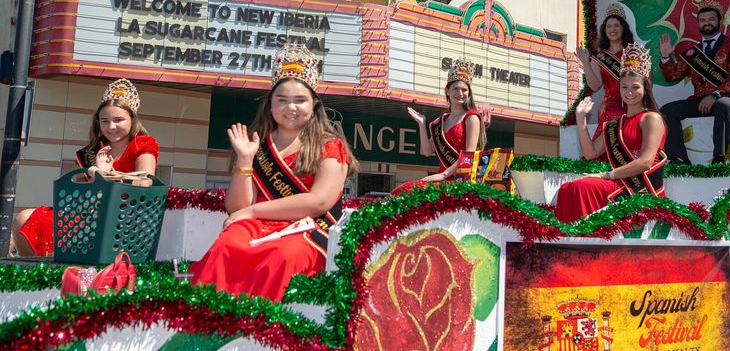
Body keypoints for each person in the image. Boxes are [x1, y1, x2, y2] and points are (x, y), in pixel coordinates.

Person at [189, 44, 358, 301]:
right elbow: (237, 208)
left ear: (314, 105)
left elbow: (319, 201)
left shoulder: (330, 145)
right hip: (258, 226)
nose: (291, 107)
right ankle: (208, 320)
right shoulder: (258, 144)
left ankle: (264, 331)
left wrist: (253, 211)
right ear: (270, 105)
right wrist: (245, 160)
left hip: (308, 230)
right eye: (282, 100)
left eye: (300, 100)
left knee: (284, 255)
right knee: (228, 244)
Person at [11, 79, 158, 257]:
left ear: (132, 119)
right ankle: (40, 275)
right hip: (88, 214)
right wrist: (89, 177)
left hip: (120, 220)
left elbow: (144, 184)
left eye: (118, 120)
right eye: (105, 121)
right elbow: (80, 192)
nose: (111, 127)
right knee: (24, 218)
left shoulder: (142, 145)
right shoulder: (94, 151)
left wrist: (108, 174)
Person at [555, 43, 667, 223]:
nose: (629, 92)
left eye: (635, 87)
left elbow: (645, 162)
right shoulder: (614, 124)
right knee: (568, 188)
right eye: (624, 87)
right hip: (620, 182)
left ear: (645, 89)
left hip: (640, 188)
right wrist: (581, 119)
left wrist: (606, 175)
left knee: (579, 188)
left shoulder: (651, 118)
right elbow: (590, 153)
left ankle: (586, 239)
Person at [659, 1, 730, 164]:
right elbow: (672, 75)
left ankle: (719, 157)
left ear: (719, 22)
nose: (707, 22)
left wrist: (715, 95)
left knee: (723, 105)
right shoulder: (693, 52)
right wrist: (666, 57)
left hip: (728, 98)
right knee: (666, 111)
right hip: (701, 101)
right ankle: (679, 158)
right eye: (703, 20)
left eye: (711, 19)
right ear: (698, 24)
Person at [393, 57, 487, 193]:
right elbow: (427, 151)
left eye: (464, 90)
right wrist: (421, 123)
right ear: (448, 91)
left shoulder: (471, 117)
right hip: (441, 177)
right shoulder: (441, 121)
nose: (460, 94)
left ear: (469, 93)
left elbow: (470, 154)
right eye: (455, 89)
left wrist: (443, 175)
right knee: (402, 191)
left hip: (461, 180)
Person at [574, 2, 634, 139]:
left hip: (633, 98)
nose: (612, 29)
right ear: (604, 30)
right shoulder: (600, 57)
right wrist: (586, 63)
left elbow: (647, 81)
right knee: (612, 112)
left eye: (616, 26)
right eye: (609, 26)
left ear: (623, 28)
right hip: (611, 102)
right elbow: (595, 86)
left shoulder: (633, 52)